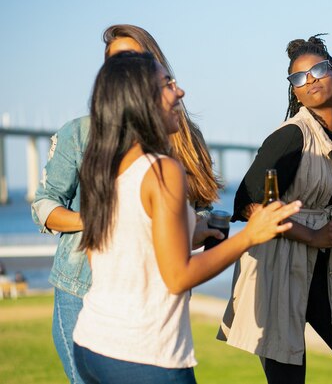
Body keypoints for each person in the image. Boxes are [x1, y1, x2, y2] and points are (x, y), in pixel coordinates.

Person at [71, 51, 301, 384]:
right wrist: (251, 234)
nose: (180, 92)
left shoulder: (102, 167)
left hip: (92, 346)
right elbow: (178, 277)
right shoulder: (163, 168)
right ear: (142, 99)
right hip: (145, 356)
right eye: (168, 84)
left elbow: (116, 251)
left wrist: (191, 233)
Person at [30, 24, 222, 384]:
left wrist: (194, 230)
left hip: (150, 302)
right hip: (80, 289)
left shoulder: (180, 133)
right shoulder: (80, 133)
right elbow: (44, 205)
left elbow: (181, 208)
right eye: (115, 61)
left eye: (134, 58)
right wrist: (102, 219)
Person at [218, 35, 332, 384]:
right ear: (294, 92)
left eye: (317, 70)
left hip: (325, 272)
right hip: (276, 271)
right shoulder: (291, 137)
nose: (310, 79)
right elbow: (247, 204)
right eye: (299, 77)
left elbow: (323, 212)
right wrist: (313, 236)